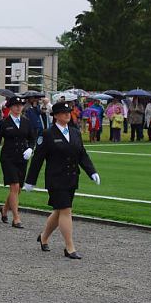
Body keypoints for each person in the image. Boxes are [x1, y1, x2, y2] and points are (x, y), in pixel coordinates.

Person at [24, 102, 100, 260]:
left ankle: (44, 236)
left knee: (59, 211)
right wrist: (30, 180)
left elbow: (82, 154)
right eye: (64, 112)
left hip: (72, 177)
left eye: (68, 112)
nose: (67, 114)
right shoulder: (47, 134)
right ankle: (69, 247)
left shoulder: (74, 132)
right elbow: (38, 159)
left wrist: (91, 171)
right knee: (66, 210)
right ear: (56, 116)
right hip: (56, 178)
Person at [0, 96, 36, 229]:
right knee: (14, 186)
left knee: (18, 189)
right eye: (15, 105)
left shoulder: (26, 122)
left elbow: (32, 138)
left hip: (22, 158)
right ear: (10, 107)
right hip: (8, 158)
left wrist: (30, 149)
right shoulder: (4, 122)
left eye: (20, 105)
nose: (18, 108)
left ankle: (4, 209)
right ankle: (16, 218)